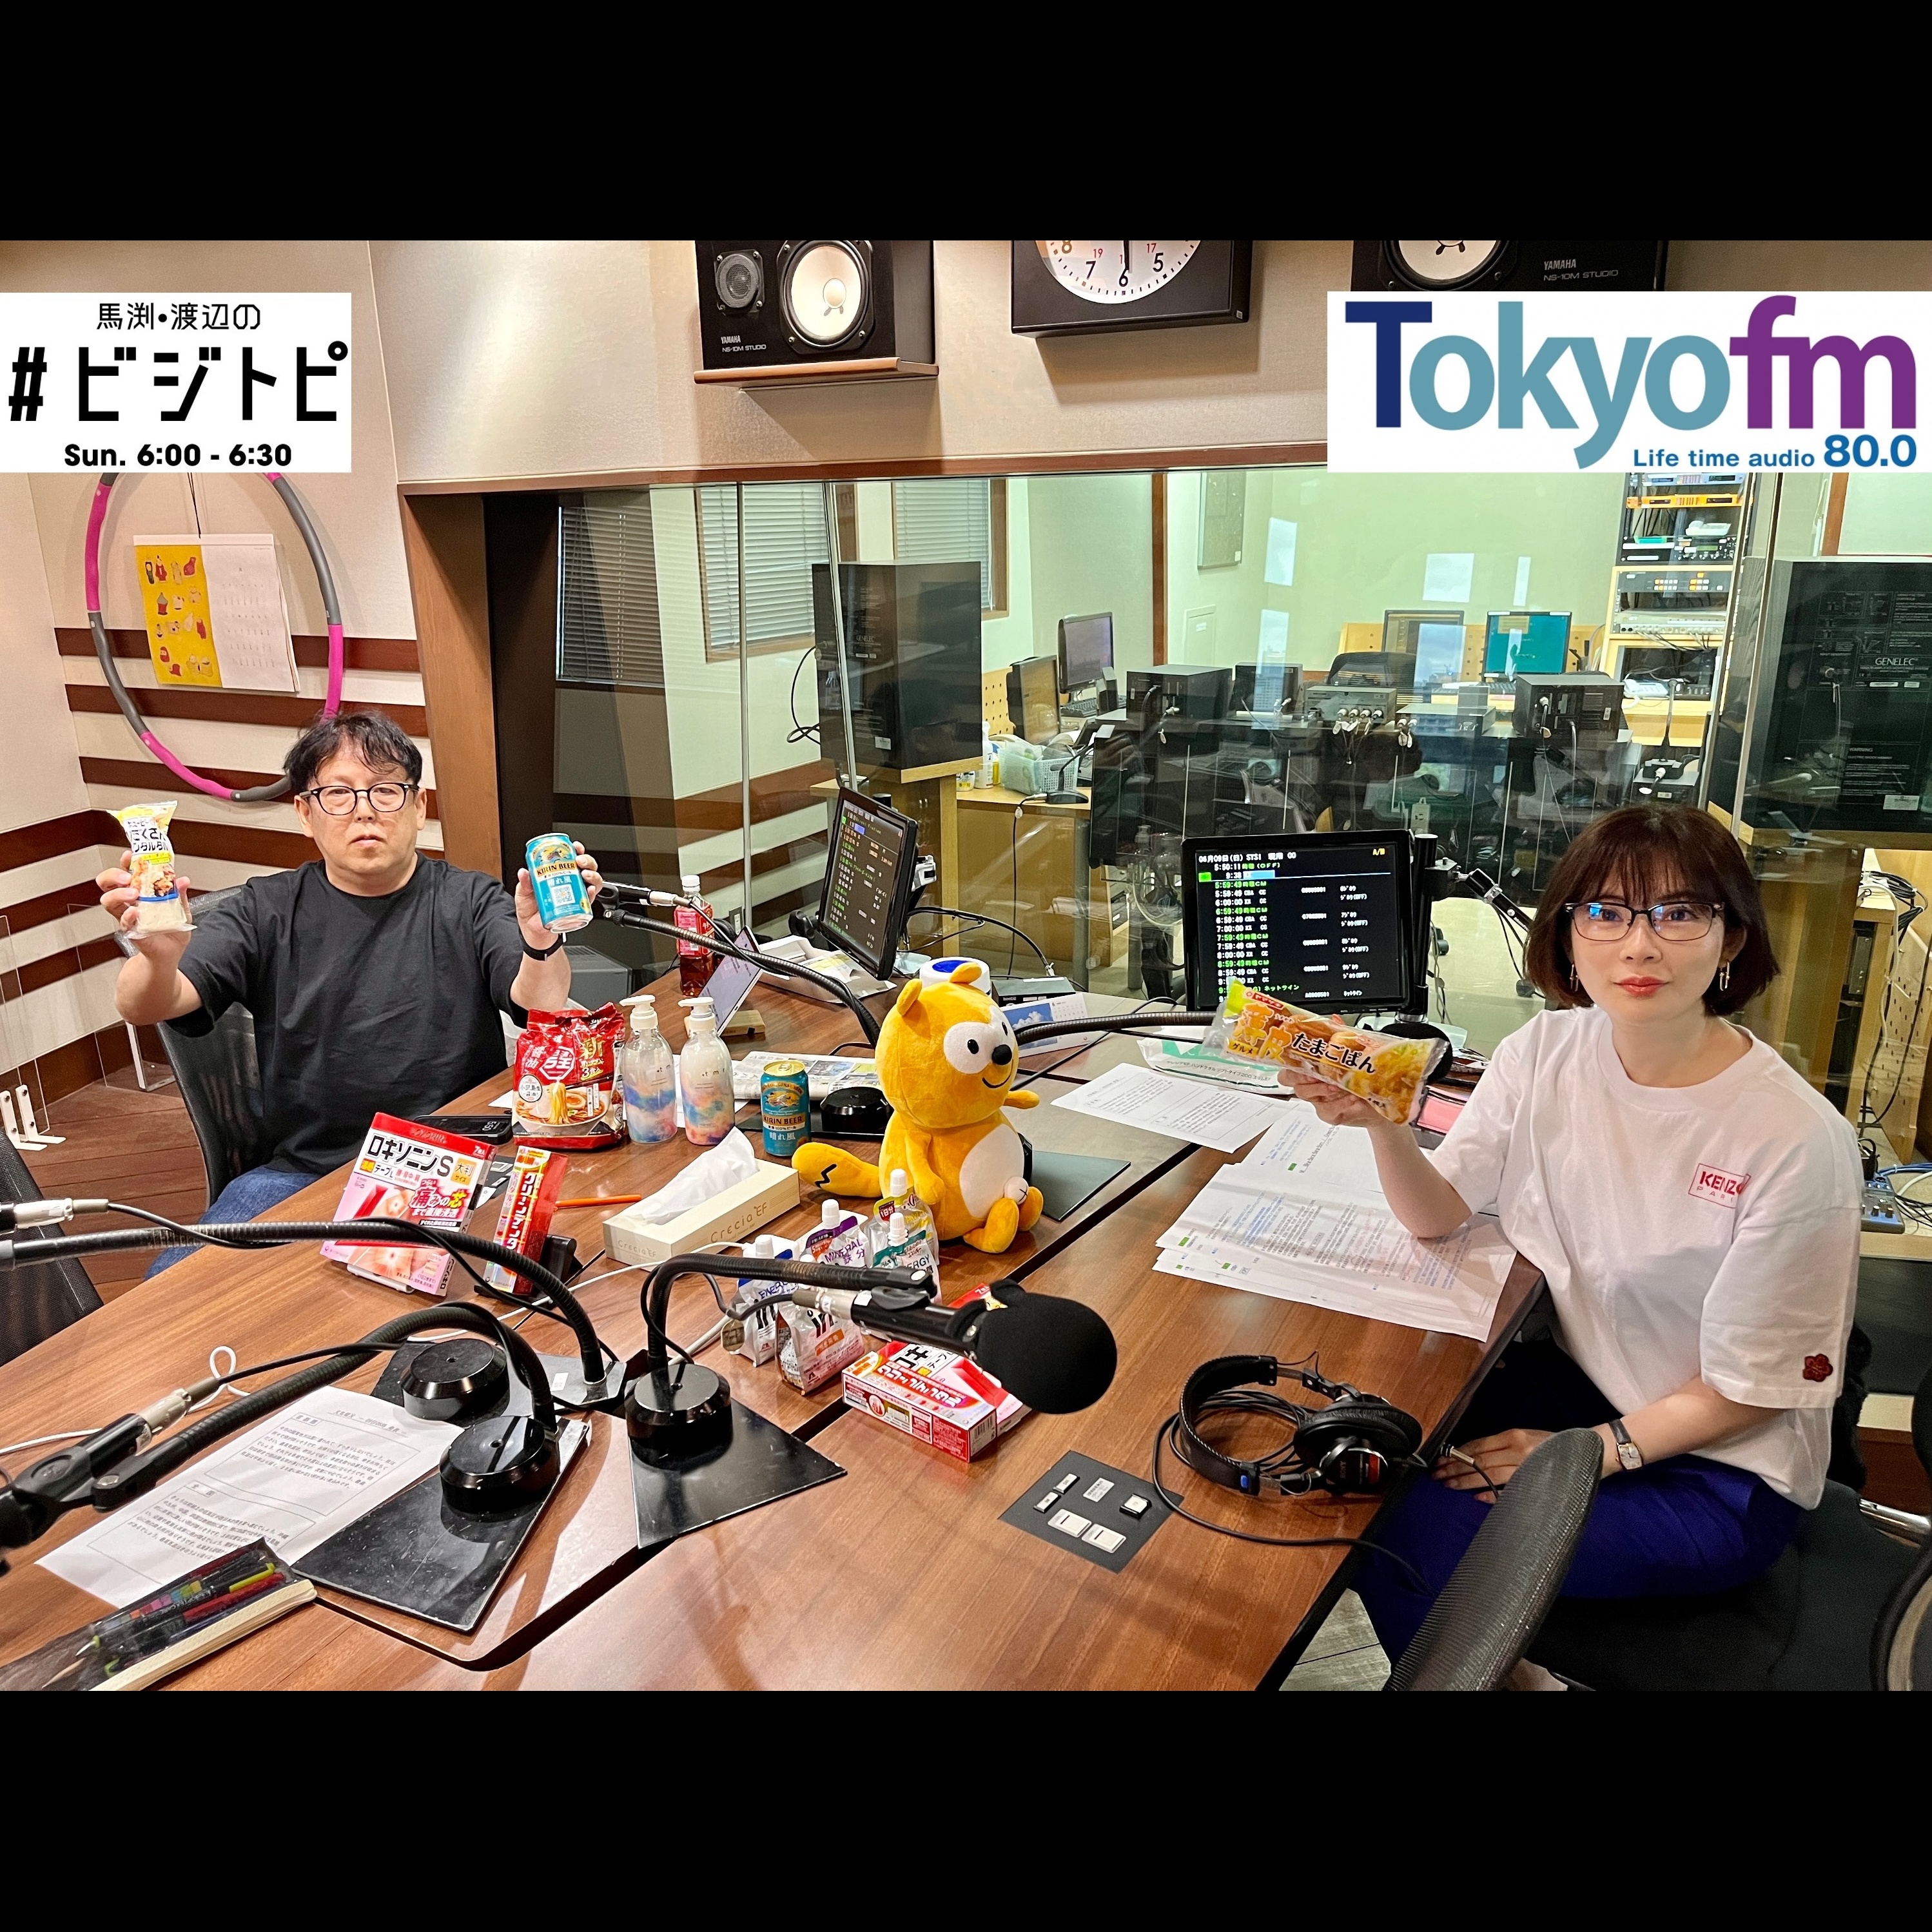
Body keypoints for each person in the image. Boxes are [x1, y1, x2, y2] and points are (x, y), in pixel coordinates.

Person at [1281, 804, 1860, 1671]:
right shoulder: (1544, 1052)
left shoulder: (1793, 1140)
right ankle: (1496, 1669)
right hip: (1589, 1389)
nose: (1639, 947)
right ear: (1567, 933)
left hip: (1721, 1473)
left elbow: (1755, 1391)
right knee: (1356, 1447)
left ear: (1731, 940)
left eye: (1678, 913)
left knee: (1390, 1530)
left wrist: (1584, 1453)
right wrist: (1384, 1127)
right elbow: (1440, 1212)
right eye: (1606, 912)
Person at [100, 710, 603, 1266]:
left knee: (521, 1277)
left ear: (418, 806)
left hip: (453, 1163)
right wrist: (158, 956)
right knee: (174, 1284)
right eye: (337, 793)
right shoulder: (265, 909)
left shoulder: (468, 900)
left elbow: (542, 1004)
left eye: (385, 790)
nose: (364, 810)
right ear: (305, 812)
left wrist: (542, 940)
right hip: (309, 1173)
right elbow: (147, 1003)